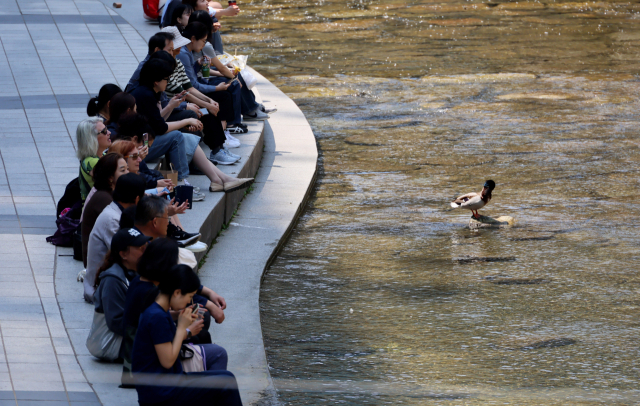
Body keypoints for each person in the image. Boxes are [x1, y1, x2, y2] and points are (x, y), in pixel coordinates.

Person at [132, 264, 241, 406]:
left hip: (169, 383)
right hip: (160, 393)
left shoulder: (158, 309)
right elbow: (167, 361)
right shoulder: (156, 316)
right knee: (226, 382)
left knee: (226, 378)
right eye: (189, 296)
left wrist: (180, 320)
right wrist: (182, 328)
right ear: (177, 292)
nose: (189, 301)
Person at [117, 113, 252, 192]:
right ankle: (183, 184)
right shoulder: (120, 151)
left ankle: (219, 179)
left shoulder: (156, 94)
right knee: (178, 136)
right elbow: (160, 125)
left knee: (185, 135)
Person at [188, 11, 270, 122]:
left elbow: (203, 69)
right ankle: (236, 121)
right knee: (235, 81)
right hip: (201, 81)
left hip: (202, 76)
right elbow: (218, 69)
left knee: (234, 75)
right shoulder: (204, 45)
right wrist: (232, 78)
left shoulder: (194, 43)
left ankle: (252, 106)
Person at [89, 227, 151, 360]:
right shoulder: (113, 280)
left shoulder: (136, 272)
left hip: (130, 335)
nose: (145, 251)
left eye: (146, 246)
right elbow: (117, 323)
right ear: (123, 254)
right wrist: (154, 323)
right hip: (111, 343)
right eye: (140, 247)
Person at [176, 22, 249, 135]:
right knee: (224, 96)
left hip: (190, 93)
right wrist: (216, 89)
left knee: (226, 91)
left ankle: (225, 129)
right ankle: (227, 127)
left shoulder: (188, 51)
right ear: (193, 38)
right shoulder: (183, 54)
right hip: (186, 98)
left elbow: (189, 81)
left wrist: (198, 64)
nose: (204, 44)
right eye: (203, 40)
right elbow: (192, 86)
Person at [85, 173, 146, 303]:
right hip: (100, 289)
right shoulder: (112, 219)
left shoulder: (115, 212)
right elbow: (128, 256)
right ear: (136, 199)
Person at [81, 153, 128, 267]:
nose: (127, 173)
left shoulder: (110, 194)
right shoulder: (104, 198)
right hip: (100, 267)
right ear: (110, 178)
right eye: (122, 171)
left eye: (127, 169)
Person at [76, 117, 112, 201]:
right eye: (104, 131)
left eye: (107, 129)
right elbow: (117, 184)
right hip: (97, 211)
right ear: (91, 138)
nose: (109, 132)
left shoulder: (101, 155)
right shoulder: (92, 162)